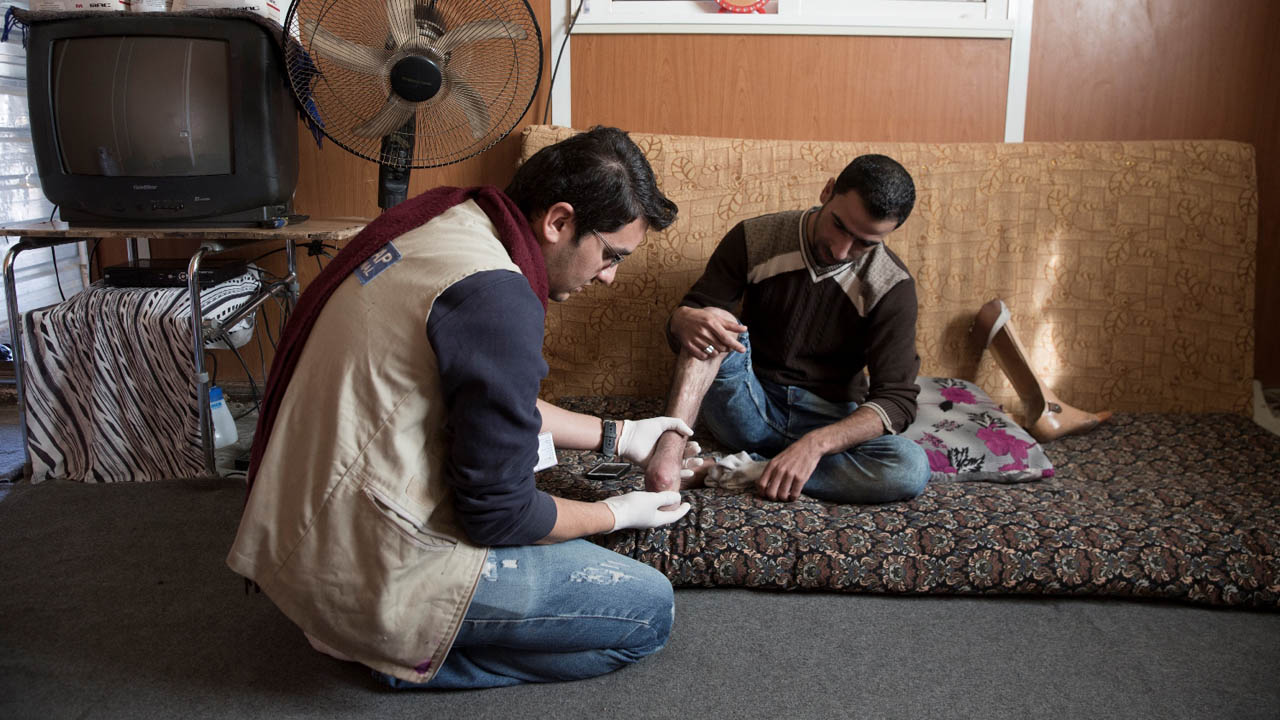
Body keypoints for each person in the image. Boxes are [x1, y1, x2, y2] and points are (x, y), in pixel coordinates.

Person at [227, 126, 701, 689]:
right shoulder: (496, 297)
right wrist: (618, 513)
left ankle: (365, 624)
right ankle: (397, 656)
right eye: (610, 254)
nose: (608, 276)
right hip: (373, 568)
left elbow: (490, 393)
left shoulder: (452, 223)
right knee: (648, 611)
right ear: (558, 221)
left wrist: (620, 435)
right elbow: (500, 515)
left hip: (304, 527)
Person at [645, 154, 931, 505]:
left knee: (909, 468)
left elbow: (897, 400)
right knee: (713, 320)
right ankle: (670, 458)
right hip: (749, 405)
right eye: (839, 226)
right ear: (827, 192)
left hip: (828, 420)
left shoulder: (892, 285)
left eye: (864, 243)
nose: (842, 250)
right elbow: (692, 323)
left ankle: (742, 471)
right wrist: (681, 319)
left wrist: (815, 445)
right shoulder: (755, 238)